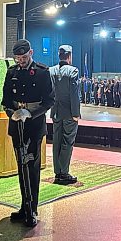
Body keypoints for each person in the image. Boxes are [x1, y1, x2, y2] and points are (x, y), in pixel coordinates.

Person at [1, 39, 54, 227]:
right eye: (17, 58)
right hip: (17, 125)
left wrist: (30, 113)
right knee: (21, 167)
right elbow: (5, 100)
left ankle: (32, 209)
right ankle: (24, 206)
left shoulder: (42, 72)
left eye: (24, 57)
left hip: (34, 125)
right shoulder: (11, 72)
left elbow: (49, 101)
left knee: (32, 166)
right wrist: (12, 113)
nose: (21, 61)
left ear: (31, 52)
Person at [49, 45, 81, 185]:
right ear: (69, 56)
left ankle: (57, 172)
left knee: (56, 142)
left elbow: (49, 92)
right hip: (69, 113)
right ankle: (64, 173)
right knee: (67, 142)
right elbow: (74, 94)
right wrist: (75, 113)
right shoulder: (73, 71)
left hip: (56, 112)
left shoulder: (51, 71)